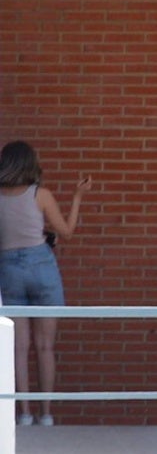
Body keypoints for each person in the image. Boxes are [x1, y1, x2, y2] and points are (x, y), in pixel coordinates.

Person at [0, 140, 92, 426]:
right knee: (44, 347)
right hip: (42, 266)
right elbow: (67, 231)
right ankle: (47, 414)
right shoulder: (41, 195)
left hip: (8, 269)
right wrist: (77, 196)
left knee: (18, 347)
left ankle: (24, 414)